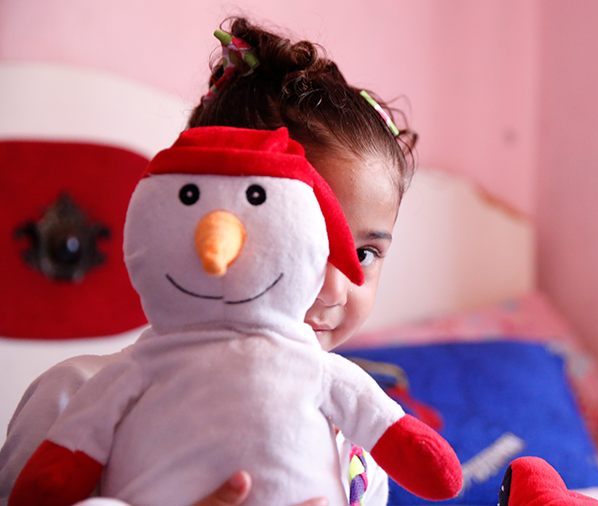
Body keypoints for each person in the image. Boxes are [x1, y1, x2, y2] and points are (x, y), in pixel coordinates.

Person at [0, 16, 417, 506]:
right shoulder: (80, 398)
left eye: (362, 254)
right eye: (300, 243)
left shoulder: (358, 432)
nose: (332, 289)